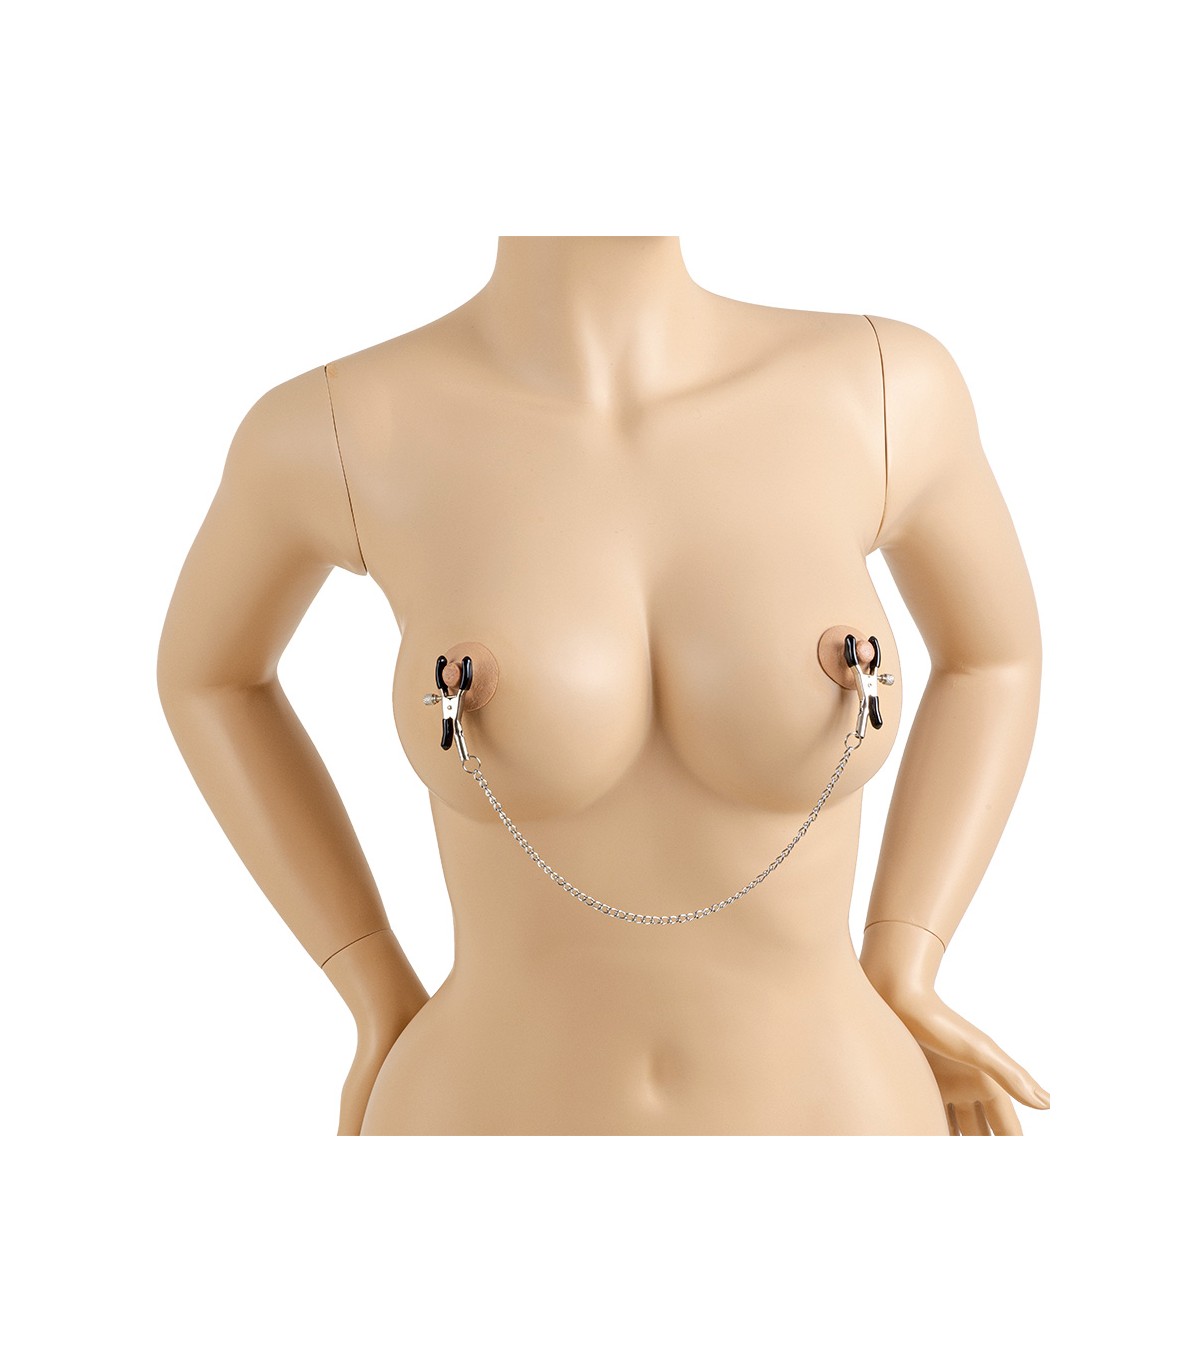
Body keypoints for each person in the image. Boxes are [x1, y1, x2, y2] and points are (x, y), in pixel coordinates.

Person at [157, 236, 1050, 1135]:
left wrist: (906, 957)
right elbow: (209, 677)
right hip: (483, 1114)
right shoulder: (341, 428)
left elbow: (994, 657)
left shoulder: (886, 390)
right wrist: (370, 985)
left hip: (839, 1110)